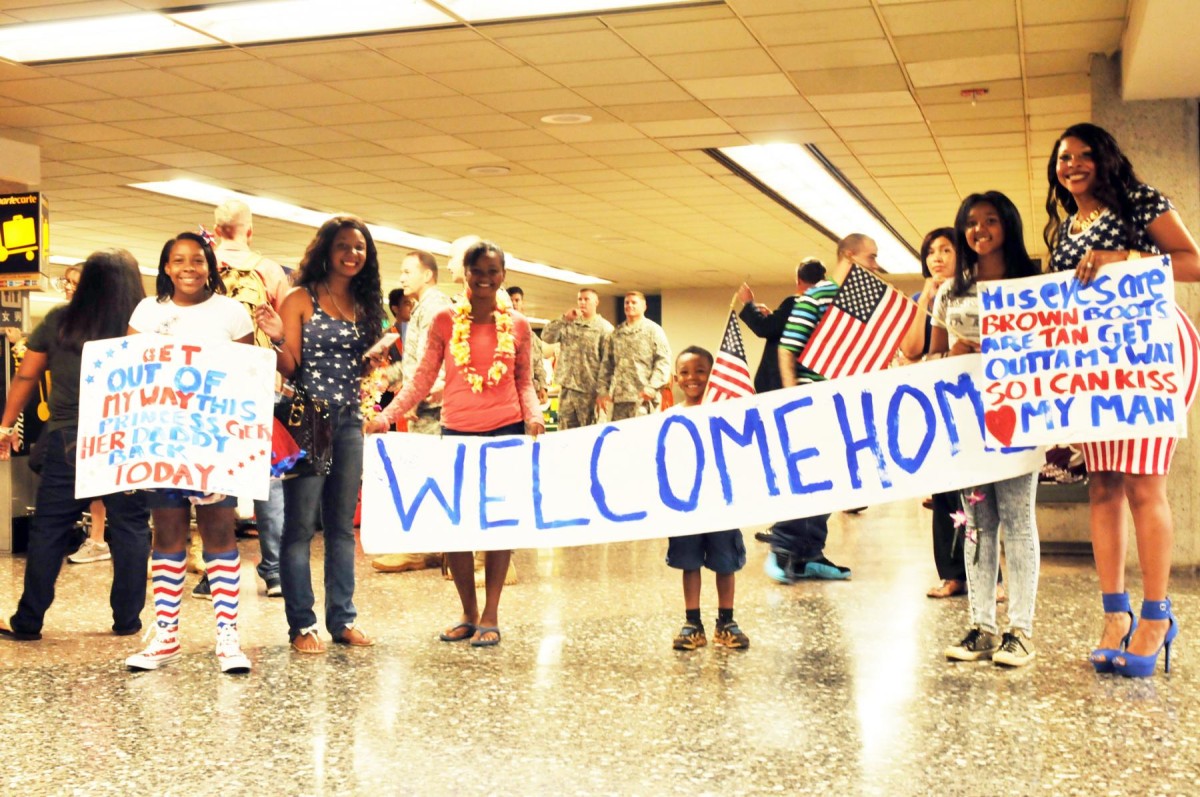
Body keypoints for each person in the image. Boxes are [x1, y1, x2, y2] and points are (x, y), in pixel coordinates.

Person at [1044, 123, 1200, 677]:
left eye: (1086, 155)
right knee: (1104, 485)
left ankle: (1158, 615)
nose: (1075, 165)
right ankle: (1115, 615)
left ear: (1106, 159)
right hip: (1094, 362)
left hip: (1151, 352)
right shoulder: (1063, 230)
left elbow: (1193, 261)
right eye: (1065, 158)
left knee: (1143, 483)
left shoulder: (1140, 201)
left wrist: (1125, 256)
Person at [369, 240, 543, 647]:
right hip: (457, 433)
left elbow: (524, 382)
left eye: (492, 272)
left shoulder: (516, 325)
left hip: (506, 432)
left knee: (500, 527)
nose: (484, 279)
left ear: (503, 276)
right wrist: (384, 417)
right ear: (465, 273)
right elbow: (423, 378)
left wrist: (534, 416)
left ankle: (491, 613)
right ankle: (467, 611)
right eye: (477, 271)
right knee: (456, 527)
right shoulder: (446, 321)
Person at [0, 251, 151, 642]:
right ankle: (127, 620)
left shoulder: (61, 320)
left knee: (49, 528)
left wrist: (4, 425)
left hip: (69, 437)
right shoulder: (146, 325)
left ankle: (29, 621)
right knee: (130, 527)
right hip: (126, 438)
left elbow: (26, 376)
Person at [123, 232, 255, 673]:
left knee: (219, 535)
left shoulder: (231, 313)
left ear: (210, 265)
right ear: (165, 267)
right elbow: (131, 373)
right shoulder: (147, 311)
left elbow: (247, 375)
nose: (189, 268)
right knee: (167, 535)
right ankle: (166, 635)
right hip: (163, 441)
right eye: (178, 260)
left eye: (198, 260)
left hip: (215, 443)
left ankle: (228, 637)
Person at [256, 216, 385, 654]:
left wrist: (374, 363)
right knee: (300, 526)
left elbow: (366, 365)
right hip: (307, 417)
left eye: (360, 248)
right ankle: (302, 624)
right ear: (327, 250)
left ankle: (343, 619)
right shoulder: (300, 298)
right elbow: (290, 366)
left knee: (342, 527)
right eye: (344, 247)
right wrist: (276, 340)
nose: (352, 255)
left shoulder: (367, 304)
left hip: (349, 419)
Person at [933, 192, 1041, 668]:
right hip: (967, 423)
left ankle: (1021, 631)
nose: (980, 229)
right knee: (977, 523)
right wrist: (953, 355)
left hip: (1018, 418)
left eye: (991, 220)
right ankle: (982, 626)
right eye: (971, 223)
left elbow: (1049, 349)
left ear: (1008, 226)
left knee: (1018, 520)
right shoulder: (949, 292)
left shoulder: (1035, 284)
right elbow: (931, 360)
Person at [213, 197, 290, 598]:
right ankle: (274, 572)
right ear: (249, 229)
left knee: (216, 480)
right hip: (261, 385)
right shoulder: (270, 271)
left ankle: (216, 572)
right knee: (269, 480)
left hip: (211, 388)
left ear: (216, 227)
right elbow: (288, 330)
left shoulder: (200, 267)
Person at [369, 251, 448, 576]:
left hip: (434, 410)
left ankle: (429, 550)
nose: (401, 278)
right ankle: (431, 548)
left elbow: (441, 363)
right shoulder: (421, 309)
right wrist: (389, 375)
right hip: (421, 404)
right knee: (424, 476)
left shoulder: (437, 308)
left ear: (427, 275)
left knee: (429, 477)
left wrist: (416, 395)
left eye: (407, 271)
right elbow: (418, 361)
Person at [901, 229, 970, 599]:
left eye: (946, 250)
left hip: (971, 405)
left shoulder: (973, 293)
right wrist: (925, 298)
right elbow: (912, 349)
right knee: (944, 496)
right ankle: (952, 574)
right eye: (931, 252)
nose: (938, 258)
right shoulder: (924, 298)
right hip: (937, 408)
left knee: (977, 495)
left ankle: (990, 578)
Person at [666, 346, 750, 651]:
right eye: (685, 372)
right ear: (676, 378)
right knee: (690, 562)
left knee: (725, 561)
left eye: (700, 371)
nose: (693, 378)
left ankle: (726, 621)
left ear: (712, 375)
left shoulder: (725, 412)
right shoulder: (671, 417)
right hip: (687, 504)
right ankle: (693, 623)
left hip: (721, 502)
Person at [51, 263, 112, 566]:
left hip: (96, 414)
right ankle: (95, 537)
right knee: (87, 483)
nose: (69, 287)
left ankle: (99, 539)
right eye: (67, 281)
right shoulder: (63, 321)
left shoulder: (100, 323)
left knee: (97, 481)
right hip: (73, 417)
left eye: (76, 282)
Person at [541, 287, 613, 429]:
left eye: (587, 299)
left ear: (596, 302)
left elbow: (609, 363)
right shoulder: (569, 323)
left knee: (590, 433)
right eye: (580, 299)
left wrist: (603, 392)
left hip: (590, 391)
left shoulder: (605, 328)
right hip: (568, 388)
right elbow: (546, 337)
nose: (582, 303)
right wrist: (564, 319)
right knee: (565, 434)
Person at [596, 291, 670, 421]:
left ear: (644, 306)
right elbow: (607, 365)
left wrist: (652, 386)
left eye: (634, 302)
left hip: (644, 398)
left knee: (643, 437)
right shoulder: (617, 333)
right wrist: (603, 391)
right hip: (620, 399)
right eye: (626, 302)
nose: (629, 305)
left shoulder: (653, 330)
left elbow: (663, 361)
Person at [506, 286, 548, 403]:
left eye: (517, 300)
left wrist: (543, 387)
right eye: (511, 300)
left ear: (522, 303)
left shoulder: (530, 334)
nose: (514, 304)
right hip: (508, 392)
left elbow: (537, 362)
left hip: (528, 391)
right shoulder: (500, 331)